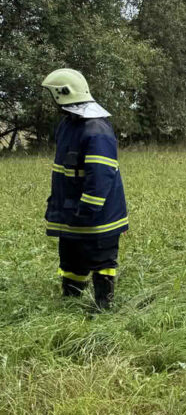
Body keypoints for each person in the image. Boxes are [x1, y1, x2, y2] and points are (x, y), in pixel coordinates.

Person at [41, 69, 129, 309]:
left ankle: (103, 308)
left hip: (97, 214)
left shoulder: (96, 130)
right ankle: (70, 302)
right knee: (71, 255)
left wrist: (88, 209)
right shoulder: (68, 124)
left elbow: (100, 175)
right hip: (72, 209)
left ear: (63, 94)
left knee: (102, 259)